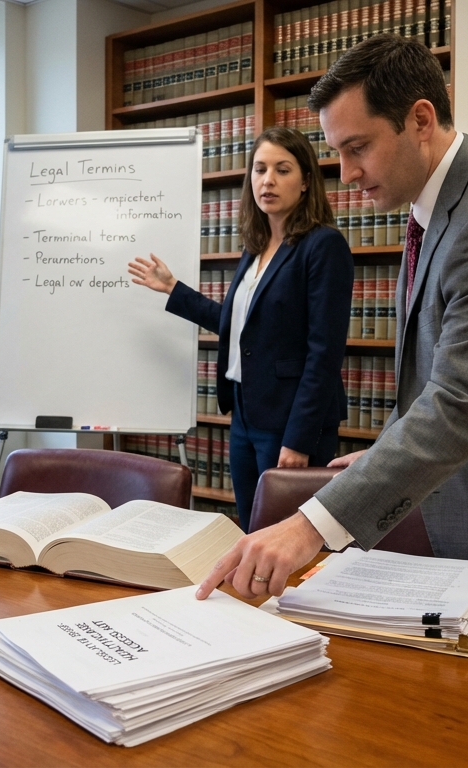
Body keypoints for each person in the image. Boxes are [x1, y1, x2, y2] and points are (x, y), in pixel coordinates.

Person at [196, 35, 468, 599]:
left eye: (357, 147)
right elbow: (434, 374)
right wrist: (384, 447)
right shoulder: (436, 208)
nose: (346, 173)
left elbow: (460, 403)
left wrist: (309, 526)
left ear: (421, 119)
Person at [129, 126, 353, 530]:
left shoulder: (323, 246)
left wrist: (298, 439)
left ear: (305, 182)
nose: (267, 180)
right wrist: (173, 289)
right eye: (260, 169)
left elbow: (325, 353)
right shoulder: (257, 247)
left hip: (290, 421)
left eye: (282, 170)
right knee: (252, 527)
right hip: (245, 413)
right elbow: (242, 329)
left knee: (289, 536)